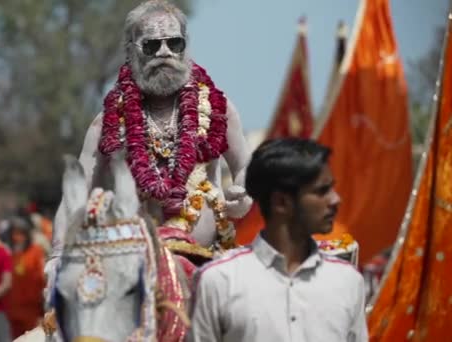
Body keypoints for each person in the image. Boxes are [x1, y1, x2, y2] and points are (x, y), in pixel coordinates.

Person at [47, 0, 251, 294]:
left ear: (186, 47)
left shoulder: (218, 108)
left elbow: (245, 165)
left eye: (174, 43)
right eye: (152, 46)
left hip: (208, 267)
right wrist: (57, 256)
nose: (165, 52)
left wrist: (243, 195)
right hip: (132, 274)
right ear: (131, 51)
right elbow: (75, 194)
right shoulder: (107, 121)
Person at [188, 138, 367, 341]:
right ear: (281, 202)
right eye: (321, 191)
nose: (336, 200)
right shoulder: (219, 281)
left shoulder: (348, 281)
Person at [4, 217, 45, 338]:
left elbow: (41, 278)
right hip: (13, 309)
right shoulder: (8, 253)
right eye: (14, 234)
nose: (17, 237)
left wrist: (42, 310)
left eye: (20, 233)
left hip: (32, 309)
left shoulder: (36, 251)